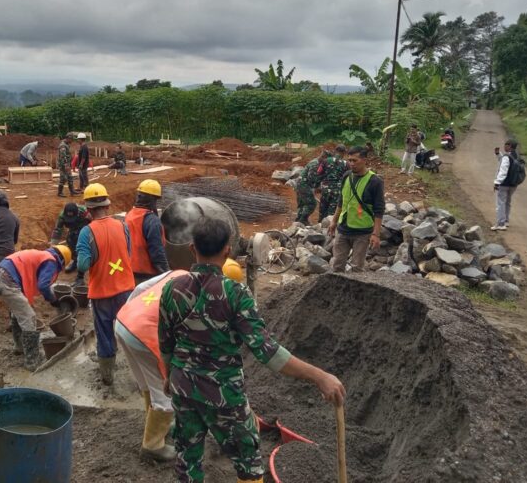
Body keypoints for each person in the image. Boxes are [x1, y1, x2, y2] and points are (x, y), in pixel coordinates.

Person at [158, 217, 346, 483]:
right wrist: (320, 376)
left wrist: (168, 375)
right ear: (227, 250)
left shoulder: (171, 288)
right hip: (222, 393)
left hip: (182, 386)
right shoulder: (235, 294)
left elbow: (165, 343)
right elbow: (268, 353)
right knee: (248, 461)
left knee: (187, 459)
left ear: (192, 248)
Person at [115, 259, 244, 463]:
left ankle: (157, 424)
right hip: (144, 336)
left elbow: (141, 287)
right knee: (164, 391)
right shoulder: (202, 299)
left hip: (124, 322)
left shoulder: (179, 273)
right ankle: (152, 446)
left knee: (147, 383)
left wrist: (133, 311)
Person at [76, 183, 135, 385]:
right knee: (130, 329)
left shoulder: (86, 232)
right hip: (126, 288)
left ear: (88, 209)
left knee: (104, 332)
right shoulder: (123, 226)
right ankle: (139, 371)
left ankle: (107, 375)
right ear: (107, 206)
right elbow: (128, 254)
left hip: (102, 292)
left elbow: (83, 265)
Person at [0, 245, 71, 370]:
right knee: (29, 318)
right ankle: (32, 361)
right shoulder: (51, 261)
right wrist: (53, 300)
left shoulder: (41, 255)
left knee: (18, 313)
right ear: (62, 261)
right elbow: (43, 285)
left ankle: (19, 347)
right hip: (6, 281)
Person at [328, 146, 385, 272]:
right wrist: (334, 221)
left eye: (355, 160)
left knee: (357, 268)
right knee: (337, 264)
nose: (351, 164)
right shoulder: (346, 176)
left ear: (364, 160)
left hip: (362, 232)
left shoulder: (375, 181)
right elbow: (341, 200)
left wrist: (376, 234)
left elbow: (379, 209)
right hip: (343, 229)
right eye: (349, 160)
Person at [125, 179, 170, 285]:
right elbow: (157, 253)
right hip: (147, 276)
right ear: (152, 199)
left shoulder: (130, 215)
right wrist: (167, 274)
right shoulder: (152, 221)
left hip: (131, 271)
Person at [50, 202, 92, 285]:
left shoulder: (85, 212)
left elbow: (94, 222)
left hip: (84, 226)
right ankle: (75, 262)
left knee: (81, 246)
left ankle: (80, 275)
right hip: (73, 229)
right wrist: (53, 246)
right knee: (70, 241)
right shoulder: (62, 216)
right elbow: (57, 231)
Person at [492, 139, 521, 231]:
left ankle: (501, 224)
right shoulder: (516, 156)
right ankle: (506, 221)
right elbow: (506, 162)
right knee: (507, 202)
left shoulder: (506, 157)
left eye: (506, 145)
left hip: (504, 184)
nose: (504, 146)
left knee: (500, 203)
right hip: (513, 184)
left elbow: (503, 170)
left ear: (510, 146)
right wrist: (498, 154)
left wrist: (497, 182)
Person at [295, 151, 328, 224]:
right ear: (323, 157)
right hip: (304, 184)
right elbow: (312, 179)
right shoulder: (315, 164)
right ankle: (303, 220)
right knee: (311, 204)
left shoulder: (316, 162)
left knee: (302, 204)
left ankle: (298, 221)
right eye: (326, 160)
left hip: (301, 183)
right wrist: (318, 185)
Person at [319, 145, 348, 221]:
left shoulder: (325, 161)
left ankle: (320, 224)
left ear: (335, 151)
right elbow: (348, 176)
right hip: (337, 190)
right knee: (332, 212)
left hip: (325, 188)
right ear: (343, 153)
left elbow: (319, 172)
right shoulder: (346, 163)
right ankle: (329, 225)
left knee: (323, 209)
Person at [57, 133, 80, 198]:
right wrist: (66, 165)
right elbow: (63, 156)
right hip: (63, 165)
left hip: (67, 164)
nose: (72, 141)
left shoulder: (66, 144)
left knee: (70, 177)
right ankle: (60, 192)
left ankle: (72, 191)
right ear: (68, 138)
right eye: (72, 139)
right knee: (63, 178)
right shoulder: (63, 145)